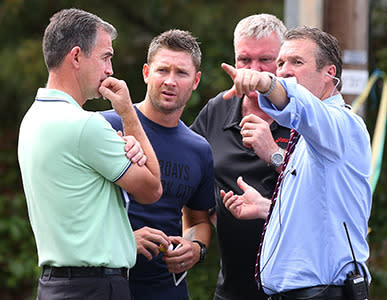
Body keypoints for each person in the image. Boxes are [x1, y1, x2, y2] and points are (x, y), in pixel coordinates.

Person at [17, 8, 162, 300]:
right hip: (95, 288)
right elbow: (152, 188)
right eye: (105, 57)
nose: (110, 69)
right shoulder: (85, 126)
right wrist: (127, 113)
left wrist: (119, 240)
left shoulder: (31, 119)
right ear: (76, 57)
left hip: (53, 287)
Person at [221, 26, 372, 300]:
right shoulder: (307, 136)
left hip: (323, 294)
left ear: (330, 73)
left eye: (297, 62)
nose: (285, 70)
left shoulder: (342, 123)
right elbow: (319, 213)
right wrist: (268, 208)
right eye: (280, 63)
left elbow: (298, 105)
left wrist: (265, 83)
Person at [102, 29, 215, 300]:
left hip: (168, 289)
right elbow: (73, 208)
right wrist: (125, 239)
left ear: (196, 80)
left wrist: (196, 247)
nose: (170, 81)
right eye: (162, 70)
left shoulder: (199, 149)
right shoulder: (105, 126)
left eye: (181, 73)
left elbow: (199, 221)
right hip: (106, 283)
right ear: (145, 73)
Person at [190, 14, 289, 300]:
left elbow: (323, 198)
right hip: (232, 289)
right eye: (245, 60)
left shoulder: (302, 115)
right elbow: (187, 172)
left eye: (265, 61)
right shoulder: (217, 109)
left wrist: (274, 153)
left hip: (295, 290)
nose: (253, 71)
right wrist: (210, 215)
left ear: (282, 62)